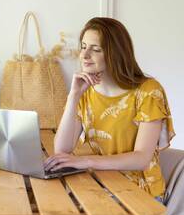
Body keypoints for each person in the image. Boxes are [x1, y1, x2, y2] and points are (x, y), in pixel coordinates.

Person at [43, 17, 175, 201]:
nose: (84, 55)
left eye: (95, 49)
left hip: (142, 194)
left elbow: (141, 159)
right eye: (83, 46)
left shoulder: (149, 92)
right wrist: (73, 96)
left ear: (116, 53)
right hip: (102, 186)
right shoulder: (85, 92)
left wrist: (85, 161)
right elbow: (62, 149)